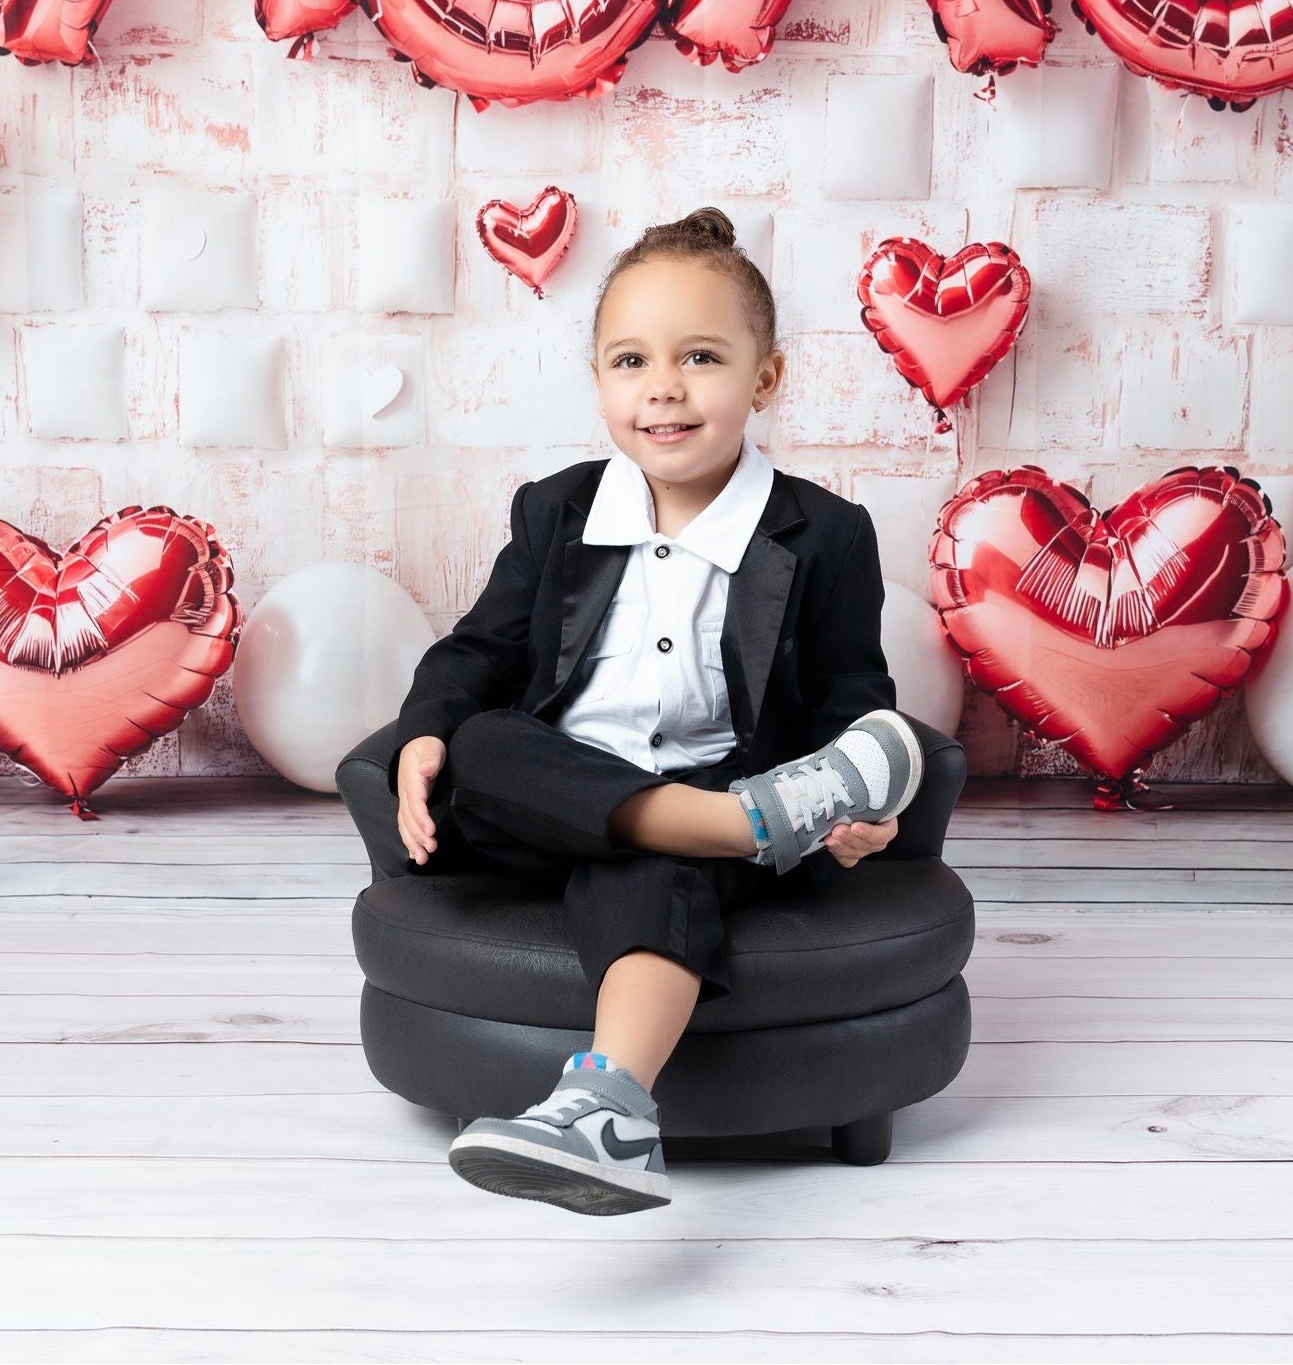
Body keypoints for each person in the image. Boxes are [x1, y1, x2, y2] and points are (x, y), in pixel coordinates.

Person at [390, 206, 925, 1216]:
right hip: (558, 794)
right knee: (485, 742)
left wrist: (862, 799)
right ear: (599, 378)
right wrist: (425, 729)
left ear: (765, 378)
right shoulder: (555, 509)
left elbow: (856, 691)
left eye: (702, 357)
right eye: (630, 360)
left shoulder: (826, 533)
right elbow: (479, 649)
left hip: (703, 792)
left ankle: (606, 1113)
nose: (663, 388)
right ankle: (749, 826)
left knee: (651, 862)